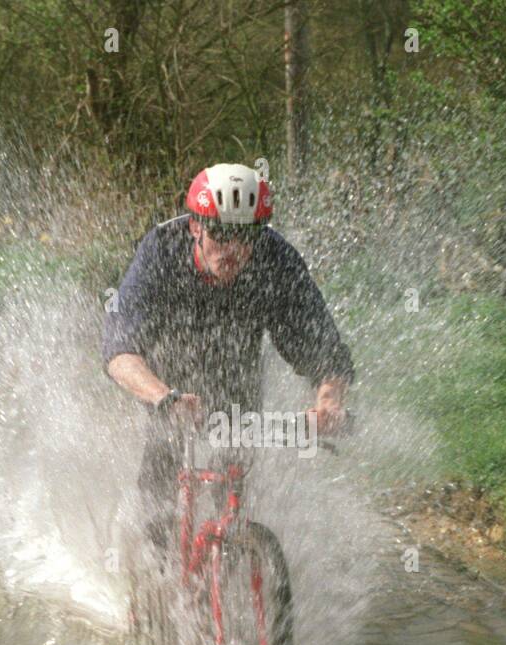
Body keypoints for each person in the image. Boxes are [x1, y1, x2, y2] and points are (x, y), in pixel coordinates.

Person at [102, 163, 354, 541]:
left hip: (236, 380)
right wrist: (164, 398)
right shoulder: (161, 250)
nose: (232, 249)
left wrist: (329, 402)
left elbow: (323, 349)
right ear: (196, 227)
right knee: (161, 502)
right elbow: (119, 351)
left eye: (245, 235)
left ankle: (237, 564)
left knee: (231, 493)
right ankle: (153, 578)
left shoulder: (274, 260)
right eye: (220, 233)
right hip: (169, 382)